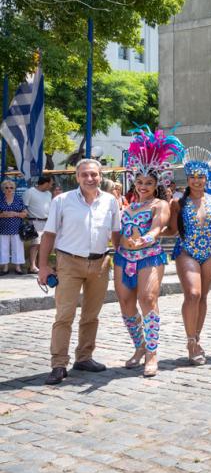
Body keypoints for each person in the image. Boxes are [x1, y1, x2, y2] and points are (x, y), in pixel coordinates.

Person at [40, 159, 121, 385]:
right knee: (64, 315)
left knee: (91, 315)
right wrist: (44, 265)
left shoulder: (110, 201)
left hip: (100, 264)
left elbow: (116, 233)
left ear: (100, 176)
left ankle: (84, 357)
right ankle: (58, 364)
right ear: (77, 177)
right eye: (84, 174)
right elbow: (49, 235)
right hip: (69, 262)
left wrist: (124, 258)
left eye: (94, 174)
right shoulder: (62, 201)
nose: (89, 178)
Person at [113, 127, 181, 377]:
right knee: (125, 303)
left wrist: (147, 238)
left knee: (148, 300)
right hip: (122, 257)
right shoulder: (127, 205)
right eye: (140, 182)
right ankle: (139, 346)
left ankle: (152, 354)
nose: (143, 186)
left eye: (148, 183)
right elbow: (117, 232)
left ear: (157, 184)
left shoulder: (159, 204)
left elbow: (159, 226)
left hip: (149, 257)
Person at [167, 146, 211, 365]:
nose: (197, 181)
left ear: (206, 178)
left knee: (204, 297)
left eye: (201, 177)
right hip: (186, 250)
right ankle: (190, 342)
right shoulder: (177, 203)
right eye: (193, 177)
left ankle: (197, 337)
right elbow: (170, 230)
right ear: (187, 179)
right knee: (193, 294)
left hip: (210, 251)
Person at [23, 176, 53, 274]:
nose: (52, 186)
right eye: (51, 183)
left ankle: (41, 265)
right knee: (35, 244)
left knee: (45, 245)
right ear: (46, 183)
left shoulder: (48, 193)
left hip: (47, 222)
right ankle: (32, 266)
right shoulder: (30, 192)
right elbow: (24, 207)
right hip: (34, 221)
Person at [0, 180, 28, 275]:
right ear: (3, 189)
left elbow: (25, 213)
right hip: (3, 228)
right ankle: (5, 268)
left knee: (18, 248)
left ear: (14, 189)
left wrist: (15, 213)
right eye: (6, 187)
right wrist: (3, 215)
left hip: (16, 228)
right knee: (3, 248)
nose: (9, 189)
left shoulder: (18, 199)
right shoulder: (0, 199)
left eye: (11, 187)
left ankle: (18, 268)